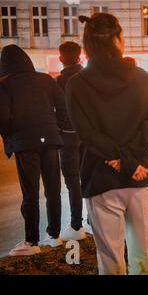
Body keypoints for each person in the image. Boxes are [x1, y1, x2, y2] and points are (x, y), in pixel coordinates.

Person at [66, 14, 148, 275]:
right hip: (138, 175)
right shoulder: (141, 78)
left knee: (110, 256)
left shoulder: (76, 85)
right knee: (142, 251)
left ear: (87, 44)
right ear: (118, 39)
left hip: (100, 178)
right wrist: (132, 162)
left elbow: (87, 134)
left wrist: (120, 160)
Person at [0, 44, 69, 256]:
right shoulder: (46, 79)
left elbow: (2, 117)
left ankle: (31, 242)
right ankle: (54, 235)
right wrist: (57, 127)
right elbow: (63, 106)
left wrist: (11, 136)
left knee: (30, 193)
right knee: (53, 189)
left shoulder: (4, 84)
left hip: (25, 143)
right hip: (50, 139)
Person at [55, 41, 86, 242]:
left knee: (73, 181)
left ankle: (77, 224)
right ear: (80, 56)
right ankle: (95, 218)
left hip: (66, 135)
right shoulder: (89, 78)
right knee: (90, 175)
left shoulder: (58, 81)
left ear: (60, 58)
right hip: (88, 134)